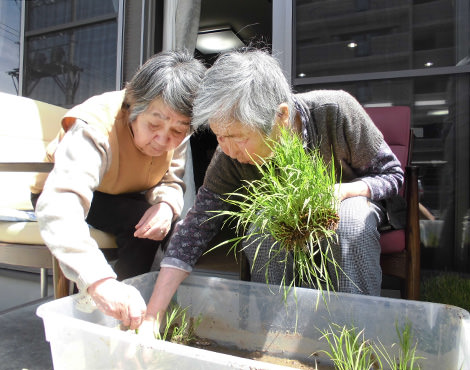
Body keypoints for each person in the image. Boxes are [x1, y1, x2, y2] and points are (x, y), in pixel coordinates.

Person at [139, 48, 404, 335]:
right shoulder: (227, 154)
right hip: (286, 230)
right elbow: (197, 224)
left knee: (351, 218)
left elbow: (392, 174)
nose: (226, 149)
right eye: (219, 136)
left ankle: (358, 337)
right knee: (262, 224)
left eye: (238, 138)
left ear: (282, 117)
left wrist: (344, 192)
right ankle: (277, 335)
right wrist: (153, 314)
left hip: (350, 212)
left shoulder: (335, 111)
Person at [33, 50, 206, 330]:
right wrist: (99, 281)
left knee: (173, 229)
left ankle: (157, 315)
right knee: (139, 224)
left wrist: (166, 206)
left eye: (178, 131)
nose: (163, 139)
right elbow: (59, 205)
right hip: (75, 193)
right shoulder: (94, 125)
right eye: (153, 125)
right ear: (132, 107)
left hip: (125, 194)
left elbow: (172, 181)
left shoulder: (176, 132)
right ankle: (117, 314)